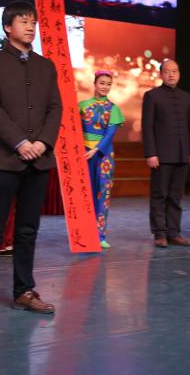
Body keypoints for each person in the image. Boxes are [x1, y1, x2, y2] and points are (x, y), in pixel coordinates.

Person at [0, 1, 62, 320]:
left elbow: (55, 108)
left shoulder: (46, 66)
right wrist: (20, 142)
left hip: (39, 160)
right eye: (23, 21)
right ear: (8, 27)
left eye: (33, 22)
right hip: (5, 159)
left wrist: (42, 143)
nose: (30, 26)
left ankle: (24, 291)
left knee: (28, 230)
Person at [142, 59, 190, 247]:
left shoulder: (186, 97)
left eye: (174, 71)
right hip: (161, 155)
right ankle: (160, 233)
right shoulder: (152, 96)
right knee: (159, 195)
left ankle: (174, 232)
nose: (171, 74)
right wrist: (151, 153)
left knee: (175, 196)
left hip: (183, 154)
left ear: (179, 73)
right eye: (167, 71)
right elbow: (147, 127)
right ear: (161, 74)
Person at [79, 71, 124, 249]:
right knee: (85, 193)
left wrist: (96, 150)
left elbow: (110, 134)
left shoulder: (114, 109)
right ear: (95, 84)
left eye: (108, 84)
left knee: (102, 194)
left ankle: (100, 235)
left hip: (103, 156)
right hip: (83, 154)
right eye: (102, 83)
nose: (105, 86)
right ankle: (83, 233)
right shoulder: (82, 106)